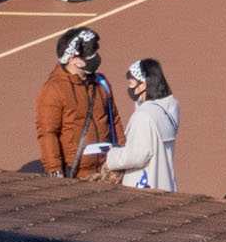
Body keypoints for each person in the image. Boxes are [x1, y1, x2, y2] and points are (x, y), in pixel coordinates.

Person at [35, 26, 119, 179]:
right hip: (77, 175)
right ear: (73, 58)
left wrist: (123, 155)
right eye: (90, 54)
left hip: (108, 172)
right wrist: (55, 170)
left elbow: (114, 121)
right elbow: (48, 133)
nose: (95, 56)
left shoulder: (101, 83)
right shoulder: (53, 90)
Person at [108, 58, 180, 192]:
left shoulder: (144, 116)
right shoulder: (168, 110)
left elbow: (136, 155)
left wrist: (111, 155)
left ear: (143, 85)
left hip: (143, 185)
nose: (129, 87)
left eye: (131, 83)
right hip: (165, 183)